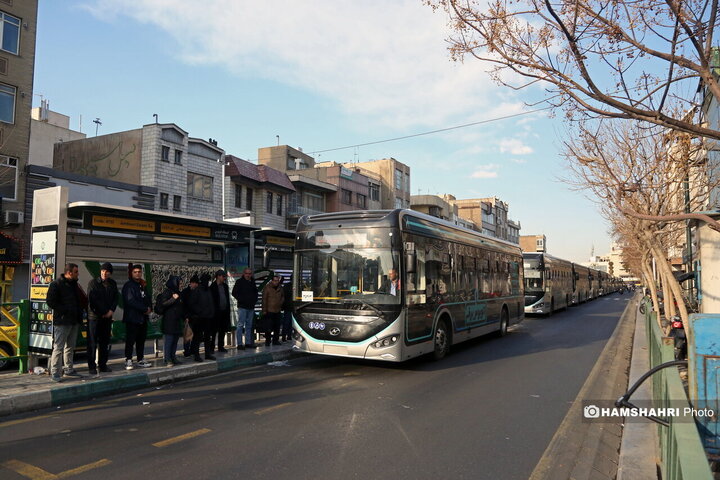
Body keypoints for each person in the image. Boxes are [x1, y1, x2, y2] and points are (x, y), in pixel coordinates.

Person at [46, 263, 86, 382]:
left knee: (70, 347)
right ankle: (55, 372)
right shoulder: (56, 284)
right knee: (58, 347)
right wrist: (65, 310)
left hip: (74, 320)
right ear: (69, 273)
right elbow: (50, 302)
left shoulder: (74, 285)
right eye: (76, 272)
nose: (77, 274)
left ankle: (69, 369)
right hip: (62, 321)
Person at [86, 262, 118, 375]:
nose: (105, 273)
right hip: (94, 318)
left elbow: (115, 298)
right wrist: (103, 312)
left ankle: (103, 365)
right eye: (103, 271)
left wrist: (111, 311)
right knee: (92, 342)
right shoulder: (93, 283)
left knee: (104, 342)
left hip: (107, 318)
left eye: (107, 271)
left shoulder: (112, 284)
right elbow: (92, 301)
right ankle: (91, 366)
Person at [122, 264, 153, 370]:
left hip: (142, 318)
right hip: (132, 318)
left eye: (139, 272)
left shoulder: (142, 285)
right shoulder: (128, 285)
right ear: (132, 273)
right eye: (135, 272)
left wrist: (149, 308)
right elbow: (130, 301)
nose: (137, 274)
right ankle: (128, 360)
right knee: (130, 340)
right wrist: (144, 309)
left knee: (141, 339)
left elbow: (147, 297)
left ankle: (140, 359)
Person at [157, 275, 185, 367]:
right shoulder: (167, 292)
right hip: (169, 321)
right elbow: (164, 303)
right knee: (169, 341)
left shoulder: (178, 292)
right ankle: (167, 359)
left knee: (175, 341)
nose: (181, 285)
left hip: (177, 321)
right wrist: (173, 299)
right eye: (179, 283)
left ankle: (173, 357)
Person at [187, 273, 215, 361]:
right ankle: (196, 355)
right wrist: (200, 312)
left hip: (208, 317)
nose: (209, 282)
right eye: (209, 280)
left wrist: (211, 312)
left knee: (207, 337)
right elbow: (192, 304)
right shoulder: (197, 290)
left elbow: (210, 303)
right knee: (197, 337)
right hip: (199, 318)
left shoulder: (208, 290)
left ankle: (207, 354)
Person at [232, 268, 258, 350]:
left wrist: (254, 301)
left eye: (250, 273)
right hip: (242, 307)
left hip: (251, 307)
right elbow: (234, 293)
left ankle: (248, 343)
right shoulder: (239, 282)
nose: (248, 275)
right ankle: (239, 344)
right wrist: (242, 299)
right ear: (244, 273)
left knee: (249, 326)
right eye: (247, 273)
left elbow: (256, 293)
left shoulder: (252, 282)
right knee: (240, 325)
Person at [209, 269, 231, 353]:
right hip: (216, 312)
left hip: (224, 311)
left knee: (222, 330)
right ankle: (211, 347)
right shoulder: (213, 287)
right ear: (218, 276)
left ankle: (220, 346)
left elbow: (227, 298)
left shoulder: (225, 286)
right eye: (223, 276)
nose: (224, 278)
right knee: (214, 330)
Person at [261, 275, 284, 346]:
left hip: (277, 310)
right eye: (275, 280)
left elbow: (283, 296)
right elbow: (264, 299)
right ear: (272, 281)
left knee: (277, 327)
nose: (276, 282)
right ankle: (268, 341)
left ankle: (275, 340)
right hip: (269, 310)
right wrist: (264, 310)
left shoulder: (280, 288)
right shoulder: (267, 287)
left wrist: (281, 303)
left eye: (277, 280)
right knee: (268, 327)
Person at [281, 276, 293, 342]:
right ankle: (288, 336)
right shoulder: (297, 286)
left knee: (287, 322)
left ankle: (285, 336)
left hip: (288, 307)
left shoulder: (286, 286)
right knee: (289, 322)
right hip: (290, 307)